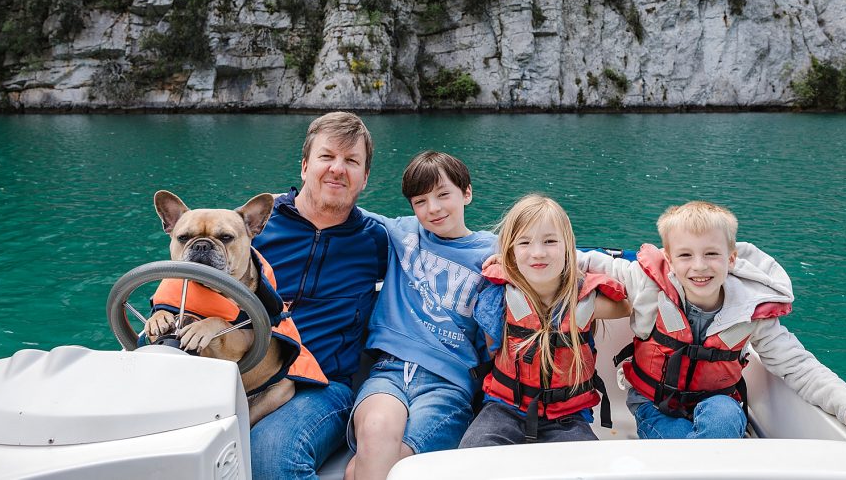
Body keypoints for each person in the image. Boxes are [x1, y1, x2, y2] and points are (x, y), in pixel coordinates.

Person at [578, 200, 846, 459]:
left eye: (712, 254)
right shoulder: (644, 281)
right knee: (691, 447)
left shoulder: (752, 309)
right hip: (652, 402)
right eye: (685, 255)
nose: (699, 266)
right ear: (668, 258)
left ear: (732, 258)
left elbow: (799, 366)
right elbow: (582, 260)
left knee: (722, 419)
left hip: (717, 400)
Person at [249, 112, 390, 480]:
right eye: (327, 157)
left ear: (364, 178)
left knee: (271, 454)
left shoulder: (376, 240)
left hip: (323, 388)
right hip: (246, 373)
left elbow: (442, 246)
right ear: (305, 165)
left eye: (351, 161)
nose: (337, 169)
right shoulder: (255, 227)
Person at [345, 151, 495, 480]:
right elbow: (342, 210)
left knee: (386, 467)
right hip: (389, 370)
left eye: (443, 195)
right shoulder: (404, 235)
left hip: (449, 382)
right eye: (421, 201)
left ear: (466, 193)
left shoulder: (494, 252)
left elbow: (551, 257)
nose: (434, 209)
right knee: (375, 427)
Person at [459, 194, 630, 447]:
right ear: (511, 252)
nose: (538, 253)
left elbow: (626, 307)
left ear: (567, 248)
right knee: (471, 461)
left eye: (550, 241)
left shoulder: (586, 301)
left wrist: (580, 275)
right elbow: (492, 346)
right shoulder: (498, 298)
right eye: (525, 243)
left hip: (568, 417)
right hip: (504, 409)